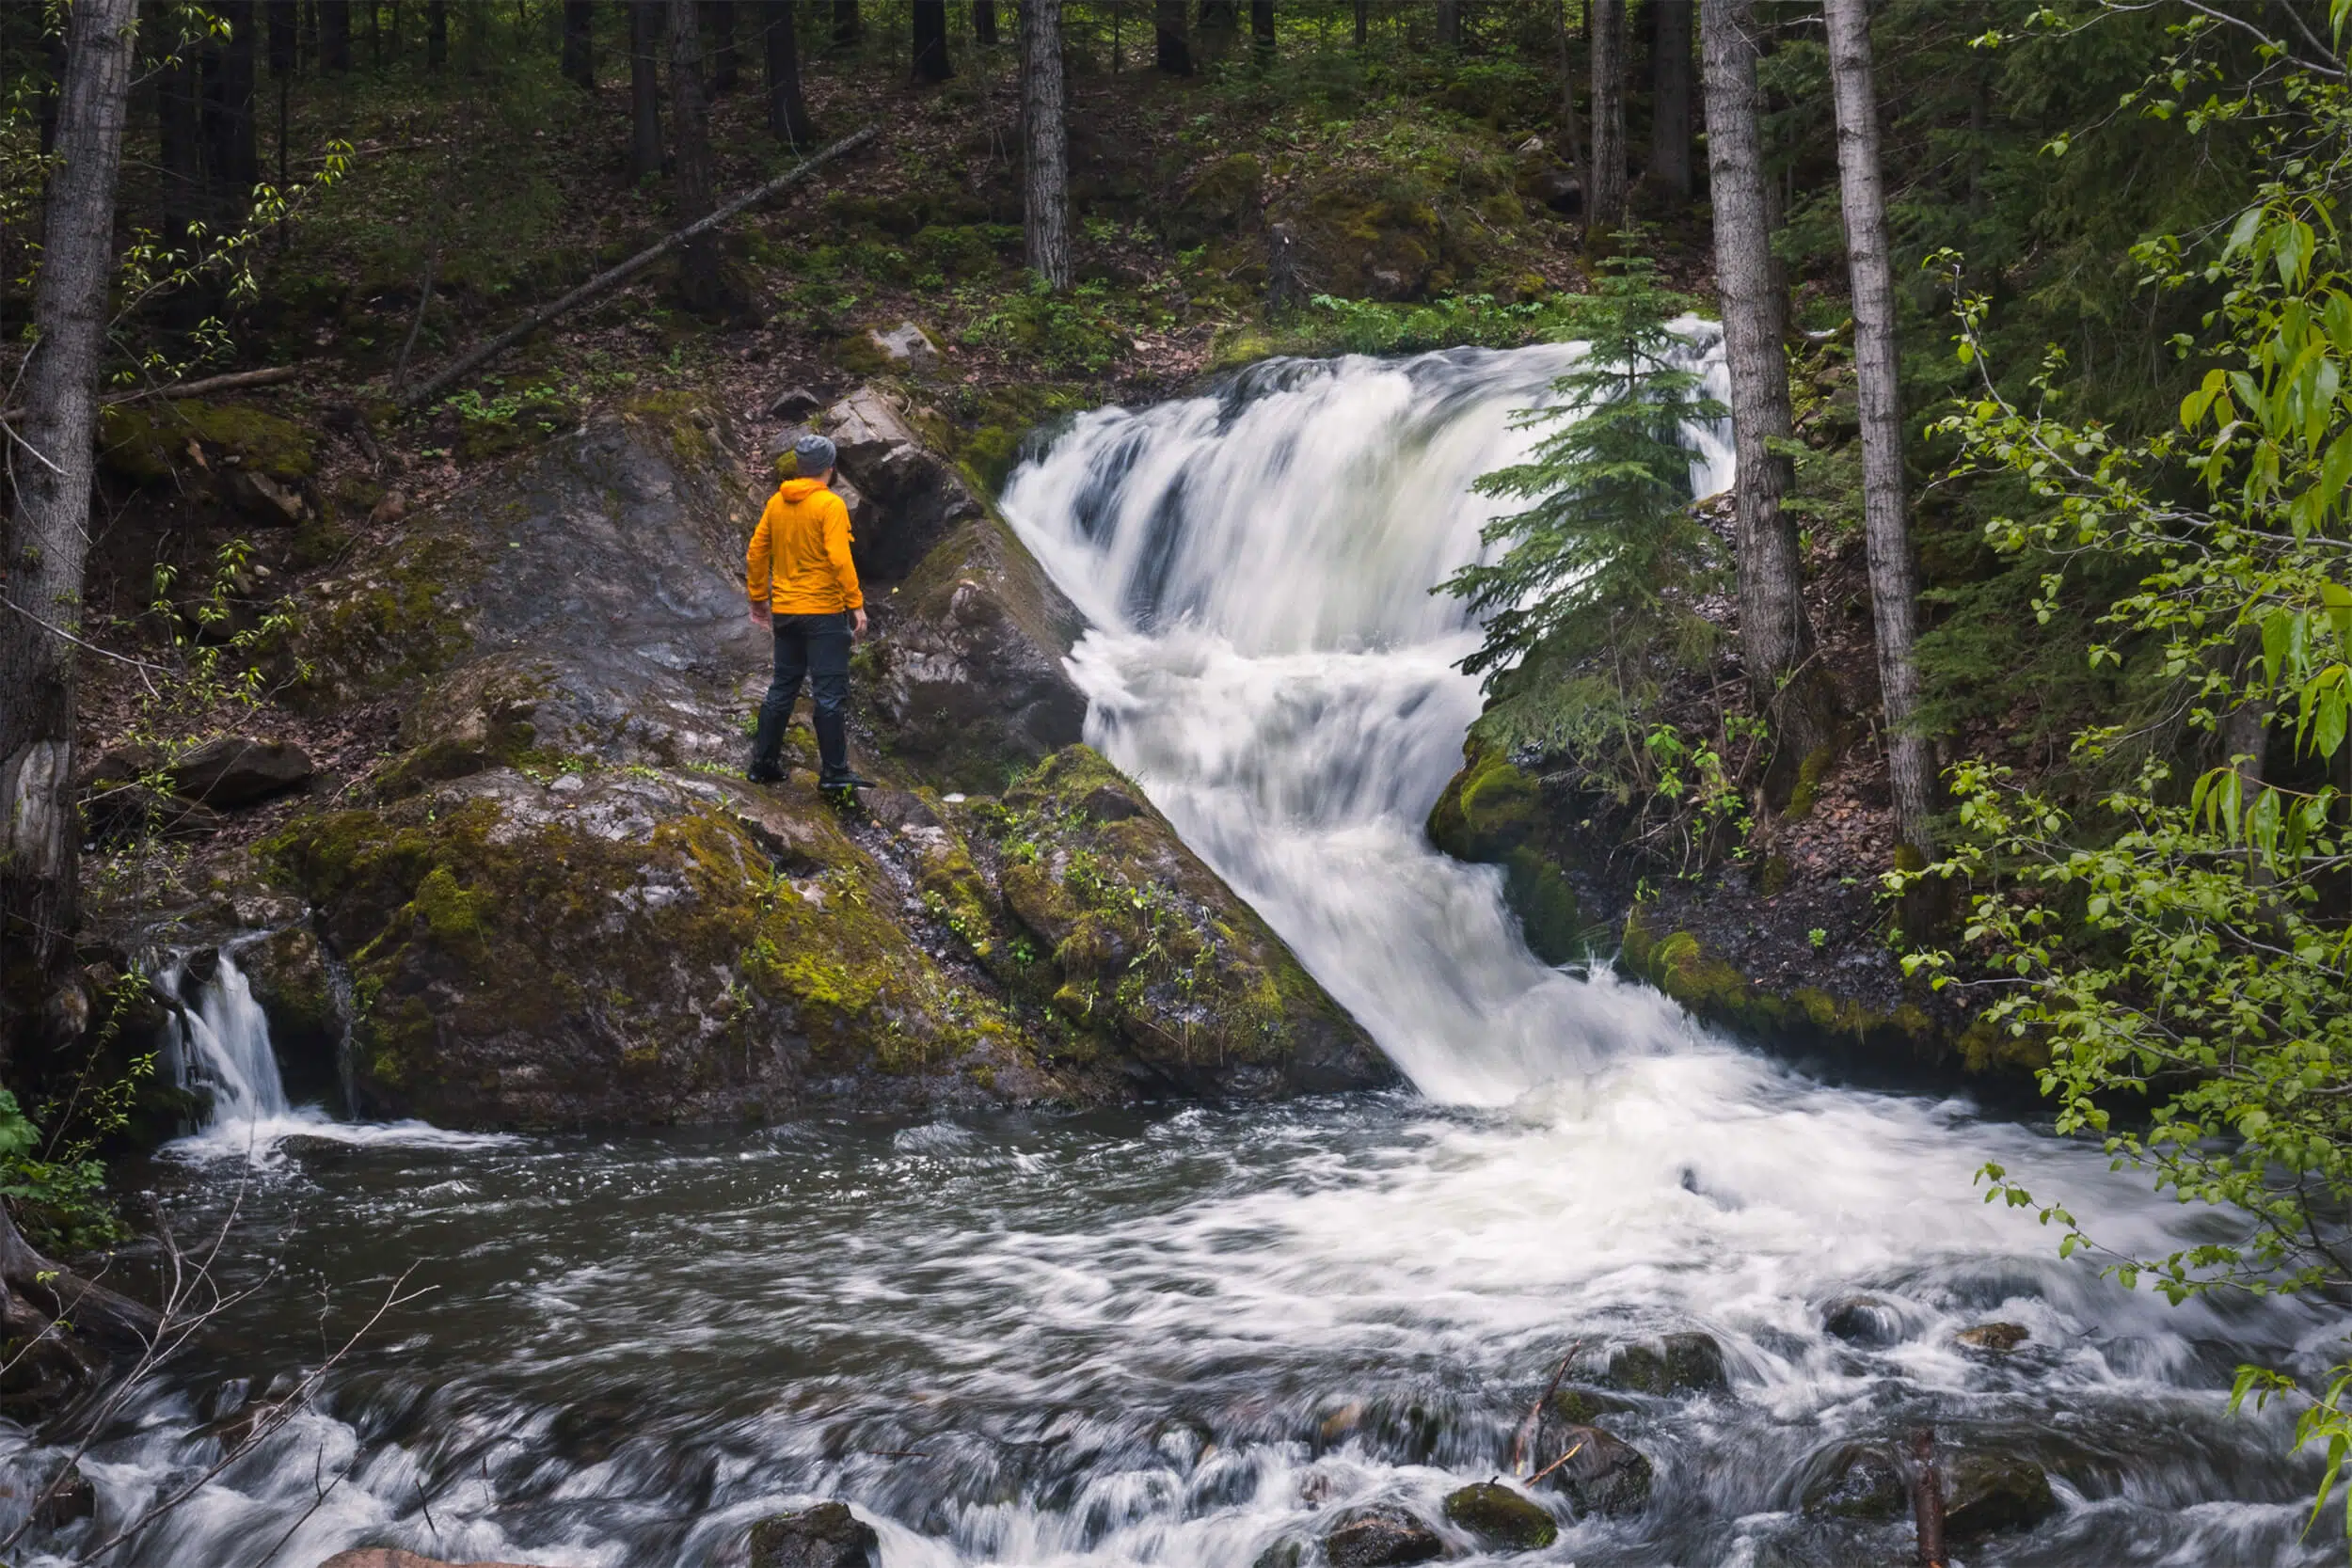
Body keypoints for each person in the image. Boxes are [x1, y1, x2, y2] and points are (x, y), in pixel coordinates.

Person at [745, 433, 873, 791]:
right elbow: (839, 557)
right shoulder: (829, 505)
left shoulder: (776, 503)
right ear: (829, 470)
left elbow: (756, 553)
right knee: (829, 693)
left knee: (783, 686)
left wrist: (758, 599)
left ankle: (763, 764)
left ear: (800, 468)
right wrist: (856, 604)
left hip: (786, 611)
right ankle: (834, 771)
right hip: (822, 613)